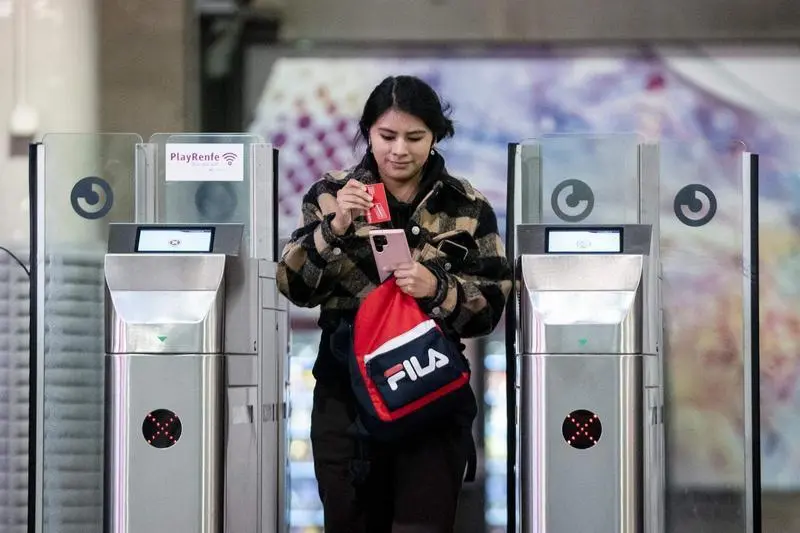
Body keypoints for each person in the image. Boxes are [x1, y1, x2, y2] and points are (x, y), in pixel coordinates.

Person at [276, 75, 512, 533]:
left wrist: (437, 288)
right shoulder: (330, 193)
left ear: (435, 136)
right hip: (347, 394)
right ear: (368, 133)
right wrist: (336, 226)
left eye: (414, 137)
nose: (399, 150)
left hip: (429, 390)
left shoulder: (466, 206)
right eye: (387, 136)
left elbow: (491, 306)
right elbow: (293, 285)